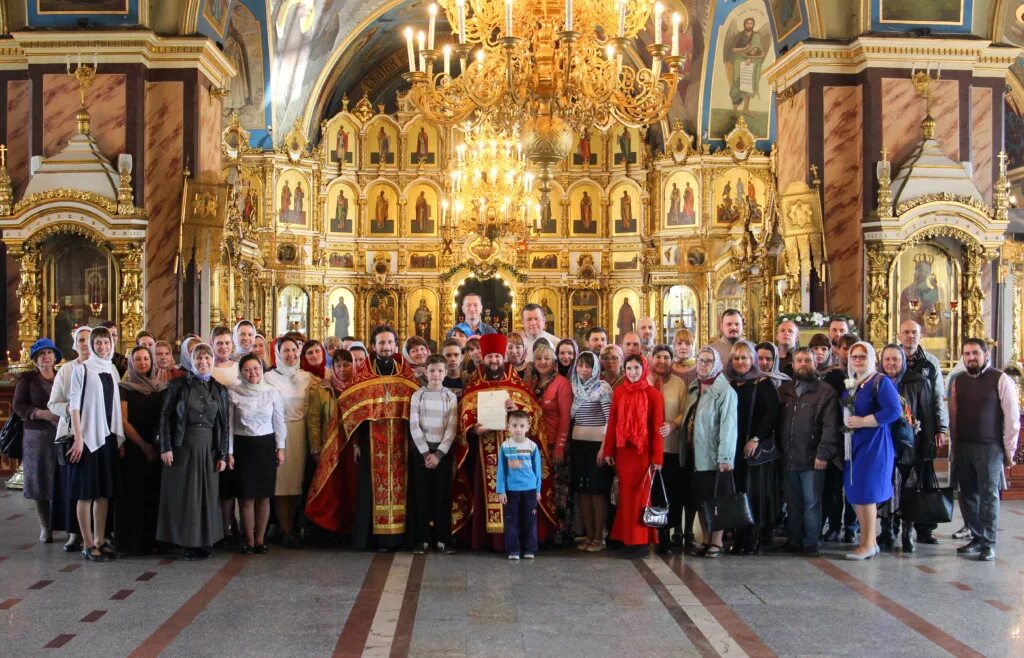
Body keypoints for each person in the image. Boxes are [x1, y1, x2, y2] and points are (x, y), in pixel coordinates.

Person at [456, 333, 554, 550]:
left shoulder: (516, 383)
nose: (493, 361)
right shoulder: (474, 384)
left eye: (497, 356)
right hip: (484, 450)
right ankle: (487, 540)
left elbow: (535, 413)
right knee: (487, 491)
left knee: (516, 493)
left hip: (516, 451)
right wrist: (473, 428)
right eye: (489, 357)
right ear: (484, 358)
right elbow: (464, 414)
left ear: (503, 357)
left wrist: (517, 409)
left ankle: (516, 539)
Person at [339, 325, 420, 550]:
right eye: (381, 343)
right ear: (373, 346)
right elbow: (349, 411)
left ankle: (402, 538)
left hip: (402, 443)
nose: (386, 347)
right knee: (370, 489)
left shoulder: (406, 375)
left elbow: (418, 408)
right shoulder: (362, 377)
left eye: (390, 342)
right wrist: (356, 443)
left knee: (404, 488)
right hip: (370, 443)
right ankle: (371, 539)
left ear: (396, 345)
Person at [949, 339, 1020, 561]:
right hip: (964, 446)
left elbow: (1012, 417)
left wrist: (1009, 450)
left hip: (990, 447)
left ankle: (989, 543)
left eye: (975, 353)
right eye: (967, 354)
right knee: (967, 494)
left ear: (986, 354)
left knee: (988, 496)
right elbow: (954, 415)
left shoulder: (1000, 379)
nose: (971, 357)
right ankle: (976, 536)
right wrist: (953, 447)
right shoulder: (958, 381)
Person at [157, 342, 229, 560]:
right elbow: (165, 416)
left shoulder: (220, 389)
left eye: (207, 358)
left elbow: (224, 424)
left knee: (207, 495)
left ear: (213, 360)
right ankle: (186, 542)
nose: (203, 362)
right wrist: (166, 447)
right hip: (183, 445)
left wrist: (222, 454)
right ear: (191, 360)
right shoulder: (178, 385)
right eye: (199, 357)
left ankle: (204, 541)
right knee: (186, 494)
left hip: (209, 447)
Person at [67, 327, 126, 562]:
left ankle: (100, 540)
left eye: (106, 342)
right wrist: (78, 438)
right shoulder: (81, 369)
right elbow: (73, 406)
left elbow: (115, 404)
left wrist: (118, 438)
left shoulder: (111, 368)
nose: (102, 346)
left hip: (108, 436)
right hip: (88, 438)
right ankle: (88, 543)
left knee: (103, 493)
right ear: (91, 345)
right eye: (98, 342)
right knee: (86, 493)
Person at [776, 348, 841, 556]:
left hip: (813, 457)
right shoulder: (784, 390)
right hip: (788, 456)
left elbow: (830, 426)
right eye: (799, 360)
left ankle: (811, 542)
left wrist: (824, 453)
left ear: (815, 363)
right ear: (793, 364)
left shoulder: (825, 392)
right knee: (793, 503)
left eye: (808, 360)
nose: (803, 364)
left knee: (812, 502)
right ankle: (794, 540)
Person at [842, 341, 903, 561]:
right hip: (855, 444)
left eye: (862, 356)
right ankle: (870, 542)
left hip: (874, 444)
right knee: (857, 492)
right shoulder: (853, 382)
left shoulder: (880, 381)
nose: (858, 360)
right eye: (854, 356)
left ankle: (867, 543)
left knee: (867, 493)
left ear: (871, 358)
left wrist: (864, 421)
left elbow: (894, 410)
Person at [878, 344, 941, 553]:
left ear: (903, 361)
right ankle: (887, 530)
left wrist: (927, 448)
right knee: (887, 490)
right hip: (884, 446)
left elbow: (926, 415)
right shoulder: (877, 382)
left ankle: (906, 533)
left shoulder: (918, 382)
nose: (891, 363)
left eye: (895, 359)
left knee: (908, 492)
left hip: (909, 448)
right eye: (887, 359)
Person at [603, 354, 664, 558]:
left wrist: (657, 458)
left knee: (640, 498)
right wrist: (609, 450)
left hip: (643, 454)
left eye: (636, 368)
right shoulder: (619, 392)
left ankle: (640, 542)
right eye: (629, 368)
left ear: (644, 369)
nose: (632, 372)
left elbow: (656, 429)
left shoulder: (653, 395)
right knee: (625, 498)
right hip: (624, 453)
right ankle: (626, 538)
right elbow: (613, 422)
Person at [725, 341, 780, 555]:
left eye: (744, 358)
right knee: (738, 491)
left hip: (754, 448)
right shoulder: (731, 383)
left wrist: (756, 438)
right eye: (736, 358)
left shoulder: (763, 382)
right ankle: (739, 536)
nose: (740, 362)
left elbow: (772, 414)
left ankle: (753, 538)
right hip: (734, 446)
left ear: (752, 360)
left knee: (754, 493)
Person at [681, 347, 737, 558]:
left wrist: (725, 457)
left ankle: (717, 542)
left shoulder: (724, 391)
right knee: (700, 500)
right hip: (694, 454)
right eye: (700, 360)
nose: (703, 364)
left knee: (716, 502)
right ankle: (705, 540)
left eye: (708, 361)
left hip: (713, 457)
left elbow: (729, 427)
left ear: (716, 364)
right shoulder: (694, 387)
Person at [228, 354, 286, 555]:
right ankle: (249, 541)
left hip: (266, 446)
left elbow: (279, 422)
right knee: (246, 497)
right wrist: (229, 452)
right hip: (243, 447)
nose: (252, 373)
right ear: (241, 372)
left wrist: (280, 448)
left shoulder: (272, 392)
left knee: (264, 496)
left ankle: (260, 540)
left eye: (256, 368)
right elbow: (229, 426)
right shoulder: (233, 392)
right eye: (247, 369)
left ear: (262, 370)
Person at [264, 336, 314, 547]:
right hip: (280, 432)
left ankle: (292, 527)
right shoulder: (269, 377)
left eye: (293, 350)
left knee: (297, 483)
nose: (290, 354)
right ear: (278, 353)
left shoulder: (307, 377)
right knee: (282, 484)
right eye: (285, 350)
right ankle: (284, 529)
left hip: (301, 432)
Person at [116, 345, 166, 555]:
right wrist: (144, 445)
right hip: (134, 446)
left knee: (152, 493)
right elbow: (123, 421)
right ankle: (132, 543)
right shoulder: (124, 387)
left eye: (146, 359)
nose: (143, 363)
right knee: (133, 495)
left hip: (156, 445)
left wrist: (155, 444)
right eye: (138, 359)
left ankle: (151, 540)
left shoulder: (158, 387)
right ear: (131, 362)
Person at [13, 338, 62, 543]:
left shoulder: (62, 376)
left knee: (60, 479)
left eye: (49, 353)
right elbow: (18, 406)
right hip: (36, 436)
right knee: (39, 479)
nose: (46, 357)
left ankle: (63, 523)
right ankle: (45, 525)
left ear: (55, 357)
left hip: (61, 434)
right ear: (35, 359)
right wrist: (42, 413)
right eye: (41, 354)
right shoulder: (28, 379)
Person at [409, 355, 459, 554]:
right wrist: (425, 453)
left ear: (445, 373)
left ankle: (442, 539)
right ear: (426, 372)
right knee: (422, 495)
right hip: (422, 453)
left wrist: (438, 454)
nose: (436, 374)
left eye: (439, 371)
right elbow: (414, 425)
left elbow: (452, 427)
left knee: (442, 496)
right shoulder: (418, 395)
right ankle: (423, 539)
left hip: (442, 454)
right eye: (432, 371)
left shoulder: (450, 396)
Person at [48, 326, 91, 552]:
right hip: (71, 434)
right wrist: (73, 409)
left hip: (97, 434)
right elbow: (53, 403)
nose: (85, 344)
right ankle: (74, 533)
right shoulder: (66, 370)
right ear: (75, 344)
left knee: (94, 487)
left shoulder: (106, 367)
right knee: (72, 486)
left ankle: (96, 533)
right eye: (81, 340)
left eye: (89, 339)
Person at [570, 351, 613, 552]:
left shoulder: (603, 387)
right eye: (580, 365)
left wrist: (604, 448)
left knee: (597, 492)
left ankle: (598, 537)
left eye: (588, 365)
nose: (584, 369)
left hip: (597, 447)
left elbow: (610, 420)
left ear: (595, 368)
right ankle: (588, 535)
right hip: (578, 446)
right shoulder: (574, 387)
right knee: (583, 492)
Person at [530, 343, 573, 545]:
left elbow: (565, 417)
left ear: (554, 361)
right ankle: (542, 532)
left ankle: (561, 533)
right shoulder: (531, 383)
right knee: (540, 489)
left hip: (555, 443)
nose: (543, 362)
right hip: (535, 445)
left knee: (559, 491)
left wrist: (560, 447)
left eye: (547, 358)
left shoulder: (561, 383)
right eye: (539, 359)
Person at [650, 345, 688, 554]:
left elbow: (684, 410)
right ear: (651, 359)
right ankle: (653, 532)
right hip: (648, 449)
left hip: (671, 447)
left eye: (666, 357)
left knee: (670, 492)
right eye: (658, 357)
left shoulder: (679, 384)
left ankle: (667, 532)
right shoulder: (645, 382)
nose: (662, 361)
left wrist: (673, 424)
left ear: (672, 360)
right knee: (653, 492)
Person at [497, 410, 543, 560]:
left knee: (530, 520)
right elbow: (501, 470)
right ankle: (514, 550)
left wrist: (538, 490)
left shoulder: (532, 446)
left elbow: (537, 470)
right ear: (508, 427)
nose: (518, 429)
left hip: (530, 490)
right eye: (514, 425)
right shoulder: (505, 446)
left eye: (522, 426)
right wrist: (501, 490)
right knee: (512, 521)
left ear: (528, 427)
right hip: (512, 490)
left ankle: (529, 549)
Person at [209, 326, 240, 542]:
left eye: (227, 343)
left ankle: (231, 523)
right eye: (219, 343)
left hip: (238, 429)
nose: (223, 347)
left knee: (233, 479)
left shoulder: (239, 368)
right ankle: (218, 525)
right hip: (213, 430)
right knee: (218, 480)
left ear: (232, 345)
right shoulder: (207, 367)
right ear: (212, 344)